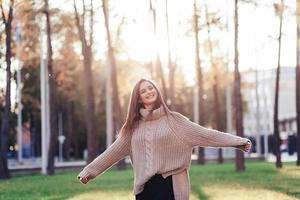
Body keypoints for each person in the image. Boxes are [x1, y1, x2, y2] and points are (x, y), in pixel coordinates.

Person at [77, 78, 252, 200]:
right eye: (143, 91)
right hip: (144, 189)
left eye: (150, 88)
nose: (148, 92)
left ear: (157, 91)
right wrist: (89, 172)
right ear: (138, 99)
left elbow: (207, 134)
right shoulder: (132, 128)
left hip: (171, 185)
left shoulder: (175, 121)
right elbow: (111, 153)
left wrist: (238, 141)